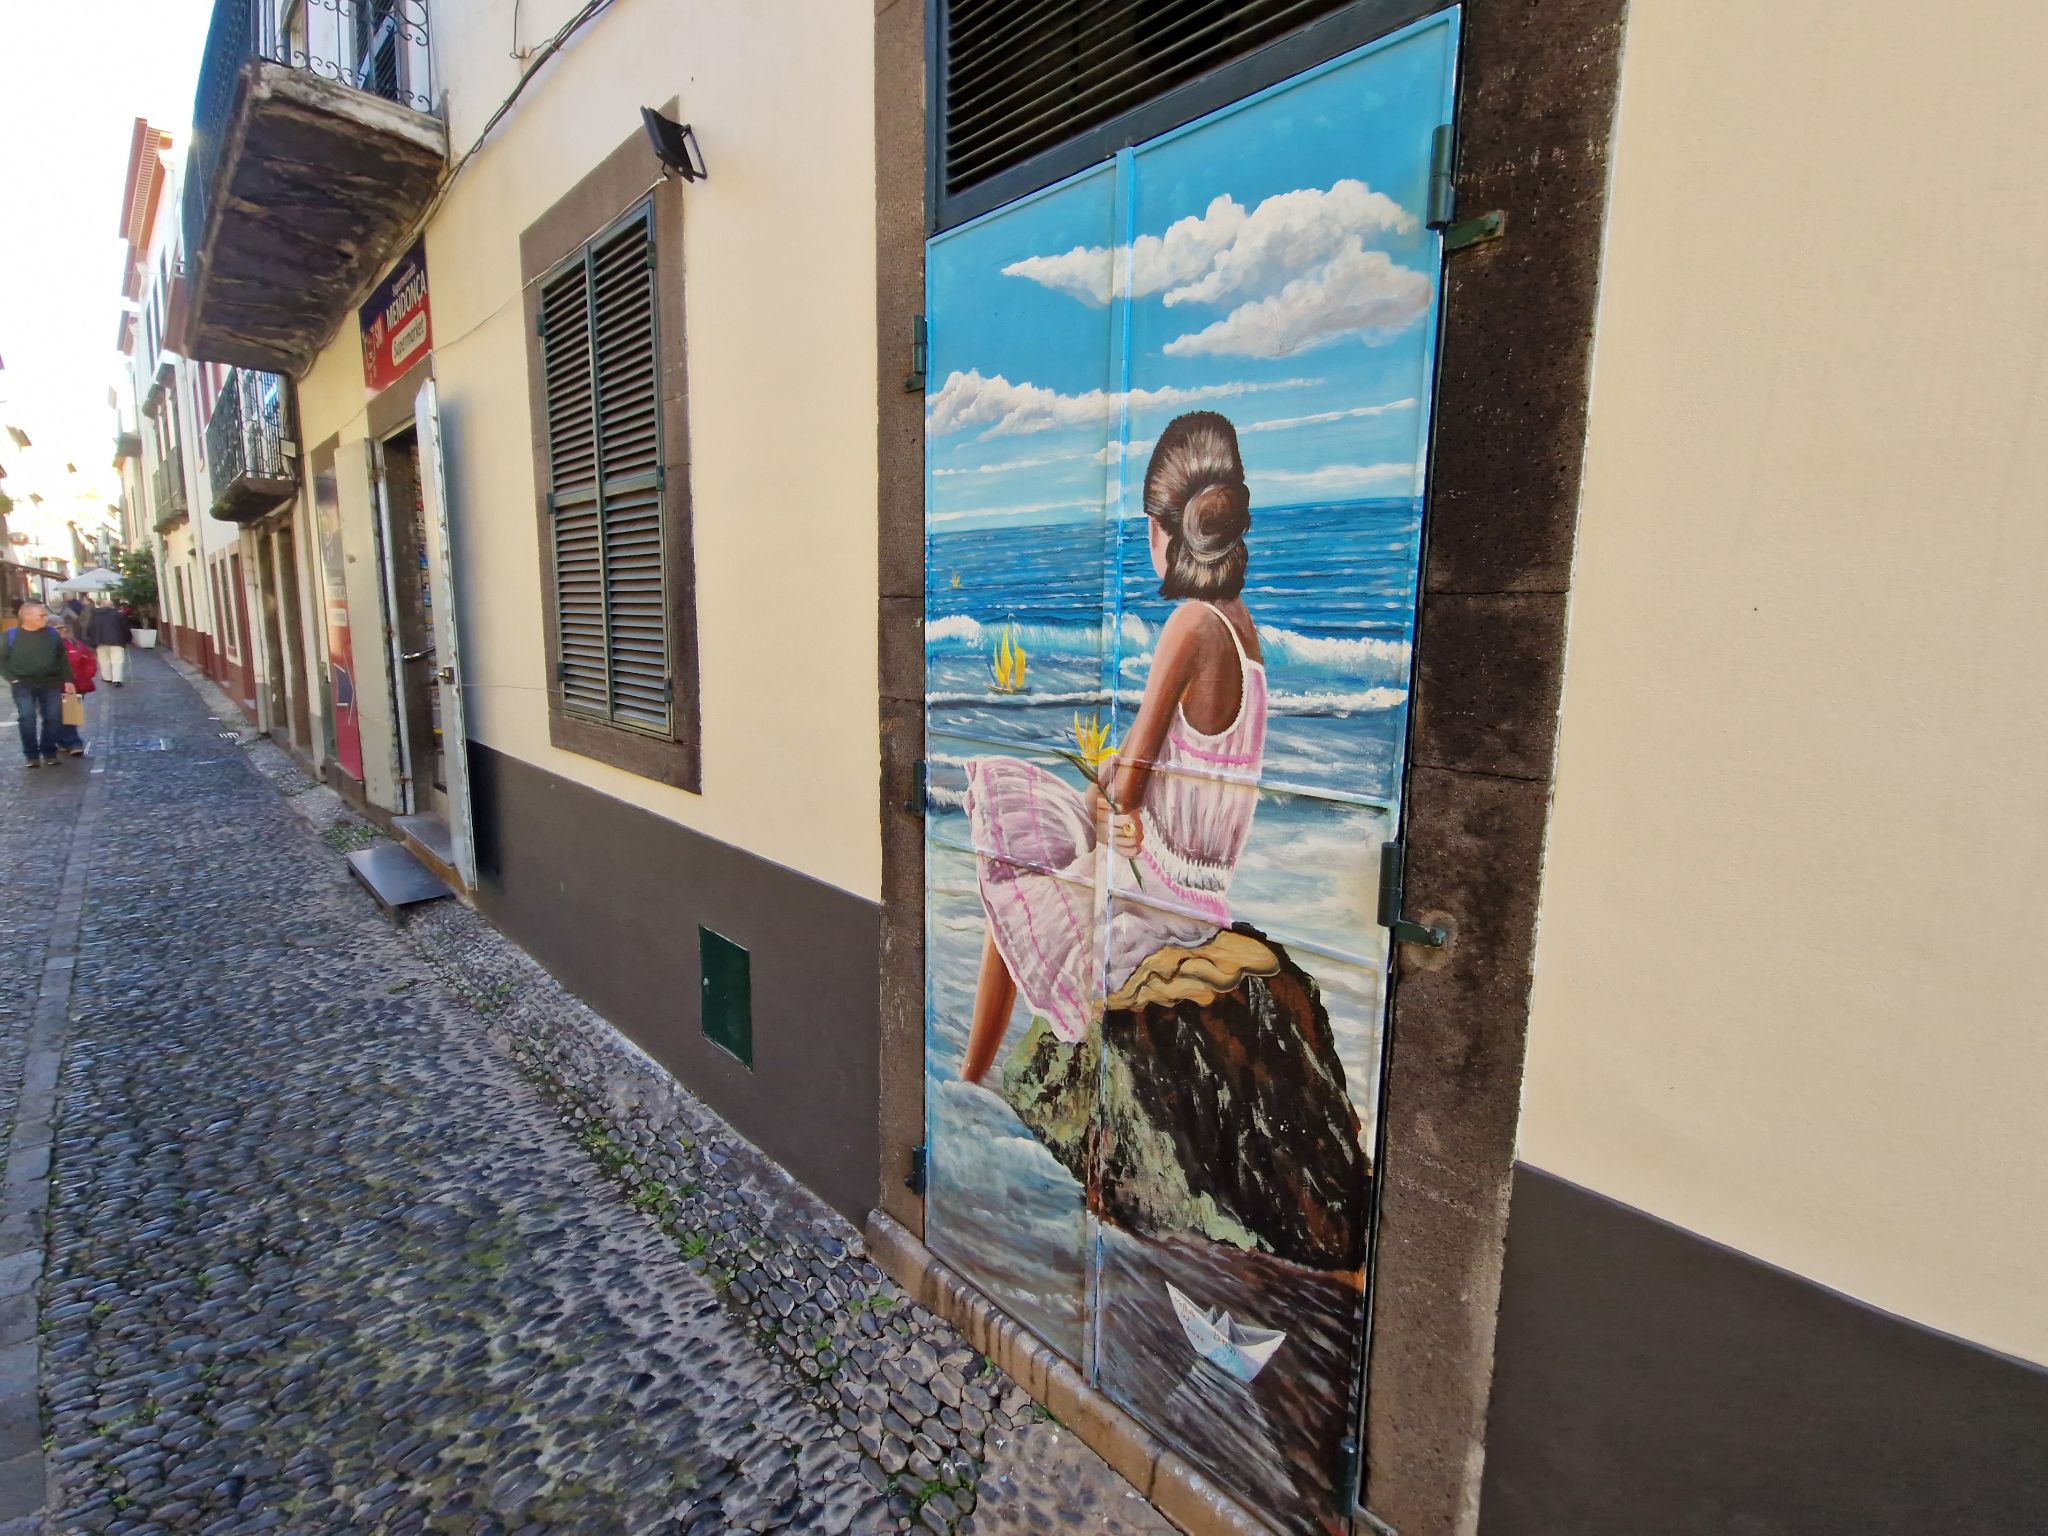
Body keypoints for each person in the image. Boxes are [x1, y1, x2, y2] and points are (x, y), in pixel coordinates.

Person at [958, 412, 1269, 1083]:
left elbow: (1125, 786)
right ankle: (971, 1079)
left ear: (1163, 532)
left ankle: (968, 1080)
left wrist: (1108, 796)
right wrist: (1109, 790)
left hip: (1160, 898)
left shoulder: (1190, 626)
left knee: (1012, 882)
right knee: (1029, 852)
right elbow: (1144, 759)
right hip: (1196, 885)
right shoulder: (1243, 629)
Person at [0, 600, 78, 769]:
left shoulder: (51, 634)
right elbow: (2, 659)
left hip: (51, 683)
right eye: (41, 615)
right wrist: (11, 678)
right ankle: (31, 755)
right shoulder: (11, 635)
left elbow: (62, 659)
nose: (45, 617)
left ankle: (49, 752)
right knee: (27, 717)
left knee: (53, 718)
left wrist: (69, 680)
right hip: (23, 684)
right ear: (26, 617)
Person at [49, 620, 96, 757]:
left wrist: (84, 675)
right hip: (53, 686)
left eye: (64, 628)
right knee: (56, 715)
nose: (62, 631)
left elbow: (89, 660)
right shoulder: (46, 647)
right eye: (58, 629)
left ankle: (73, 743)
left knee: (70, 715)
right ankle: (62, 741)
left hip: (75, 685)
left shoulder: (76, 645)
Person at [84, 596, 132, 687]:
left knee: (103, 660)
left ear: (101, 606)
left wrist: (91, 639)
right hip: (116, 641)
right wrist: (128, 639)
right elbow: (125, 628)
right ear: (112, 606)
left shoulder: (94, 616)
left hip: (100, 641)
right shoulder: (118, 615)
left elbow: (89, 628)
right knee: (117, 660)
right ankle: (117, 680)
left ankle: (107, 677)